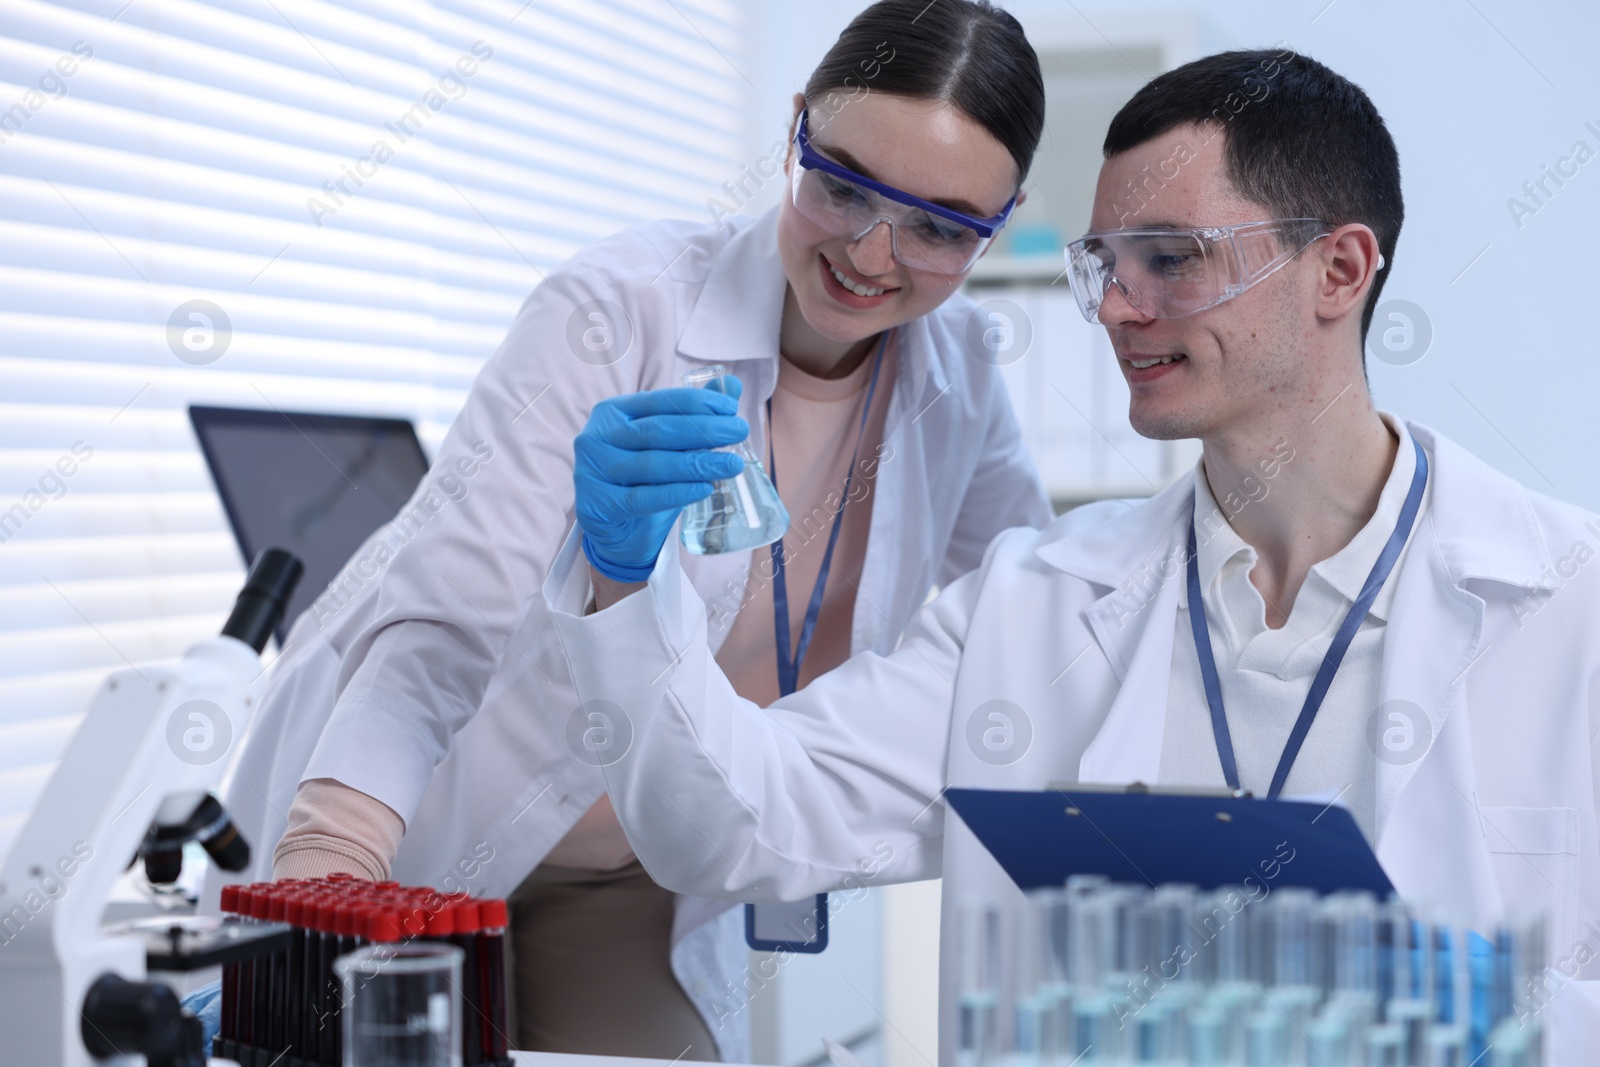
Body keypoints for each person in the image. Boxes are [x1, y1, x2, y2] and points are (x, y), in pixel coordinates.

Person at [546, 49, 1600, 1062]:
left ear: (1338, 268)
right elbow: (733, 825)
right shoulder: (1028, 605)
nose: (1114, 308)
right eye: (1104, 261)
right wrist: (630, 587)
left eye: (1172, 258)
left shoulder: (1567, 603)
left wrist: (1504, 1016)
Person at [212, 1, 1054, 1059]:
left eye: (938, 226)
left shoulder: (961, 374)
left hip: (630, 880)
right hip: (423, 827)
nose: (870, 254)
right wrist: (327, 869)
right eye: (840, 186)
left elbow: (1032, 625)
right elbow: (438, 631)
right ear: (793, 129)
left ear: (1004, 216)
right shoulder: (618, 309)